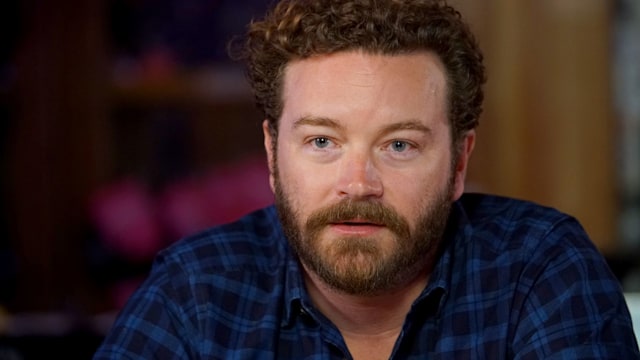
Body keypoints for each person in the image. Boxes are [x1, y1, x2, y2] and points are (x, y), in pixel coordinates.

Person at [93, 0, 640, 358]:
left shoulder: (539, 270)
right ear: (271, 151)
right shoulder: (196, 293)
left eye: (399, 145)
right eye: (322, 142)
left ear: (458, 163)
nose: (357, 184)